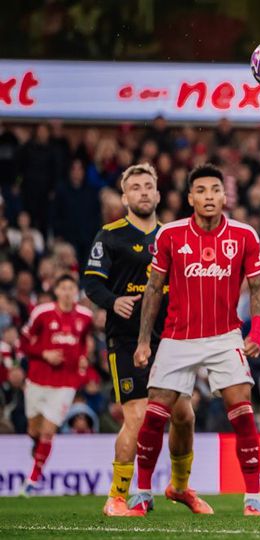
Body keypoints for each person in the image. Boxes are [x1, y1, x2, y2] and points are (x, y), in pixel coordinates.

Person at [126, 164, 260, 517]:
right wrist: (144, 342)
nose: (209, 197)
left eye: (215, 190)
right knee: (156, 412)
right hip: (178, 337)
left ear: (224, 196)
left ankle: (253, 498)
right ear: (190, 198)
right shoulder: (170, 235)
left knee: (242, 408)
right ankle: (142, 493)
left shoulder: (244, 235)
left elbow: (257, 287)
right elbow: (153, 289)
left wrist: (256, 333)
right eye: (201, 191)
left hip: (225, 336)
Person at [83, 163, 205, 516]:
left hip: (170, 339)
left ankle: (179, 487)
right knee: (137, 418)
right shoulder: (110, 235)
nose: (143, 192)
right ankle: (117, 497)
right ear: (125, 198)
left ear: (158, 193)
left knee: (184, 415)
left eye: (148, 186)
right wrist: (113, 301)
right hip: (125, 338)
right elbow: (91, 283)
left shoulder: (174, 235)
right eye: (135, 187)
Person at [18, 274, 93, 496]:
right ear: (57, 291)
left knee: (48, 432)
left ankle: (32, 481)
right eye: (64, 288)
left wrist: (83, 358)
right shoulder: (41, 313)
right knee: (34, 430)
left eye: (72, 288)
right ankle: (37, 448)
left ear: (76, 292)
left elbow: (84, 342)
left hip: (65, 384)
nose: (68, 292)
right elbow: (23, 343)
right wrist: (45, 354)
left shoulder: (85, 316)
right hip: (37, 380)